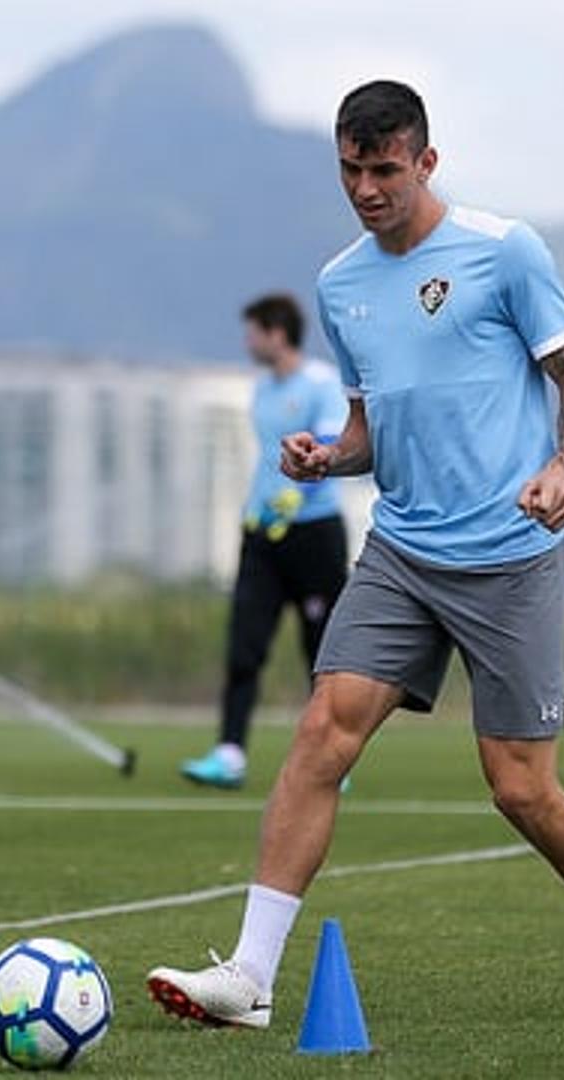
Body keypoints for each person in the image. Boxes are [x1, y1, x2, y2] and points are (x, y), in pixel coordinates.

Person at [147, 80, 564, 1031]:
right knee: (320, 737)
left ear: (426, 162)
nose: (366, 189)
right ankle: (252, 978)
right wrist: (328, 456)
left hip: (511, 555)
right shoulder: (340, 282)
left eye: (384, 169)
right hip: (400, 552)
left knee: (521, 788)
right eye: (350, 169)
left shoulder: (504, 251)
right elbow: (369, 432)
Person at [180, 294, 350, 790]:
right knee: (244, 644)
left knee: (322, 651)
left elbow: (329, 450)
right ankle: (229, 753)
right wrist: (265, 511)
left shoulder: (320, 385)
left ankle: (334, 758)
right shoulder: (261, 392)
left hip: (314, 535)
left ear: (277, 333)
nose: (248, 342)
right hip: (261, 535)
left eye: (253, 331)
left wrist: (299, 497)